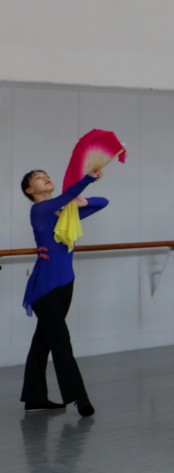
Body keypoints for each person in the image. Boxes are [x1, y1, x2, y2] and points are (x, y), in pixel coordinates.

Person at [19, 166, 106, 416]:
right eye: (38, 178)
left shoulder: (65, 212)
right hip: (44, 286)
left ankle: (34, 397)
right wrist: (87, 179)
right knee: (60, 339)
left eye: (46, 174)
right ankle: (79, 397)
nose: (45, 177)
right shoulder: (39, 210)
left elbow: (103, 202)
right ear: (30, 190)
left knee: (43, 341)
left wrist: (82, 201)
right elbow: (64, 197)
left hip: (65, 283)